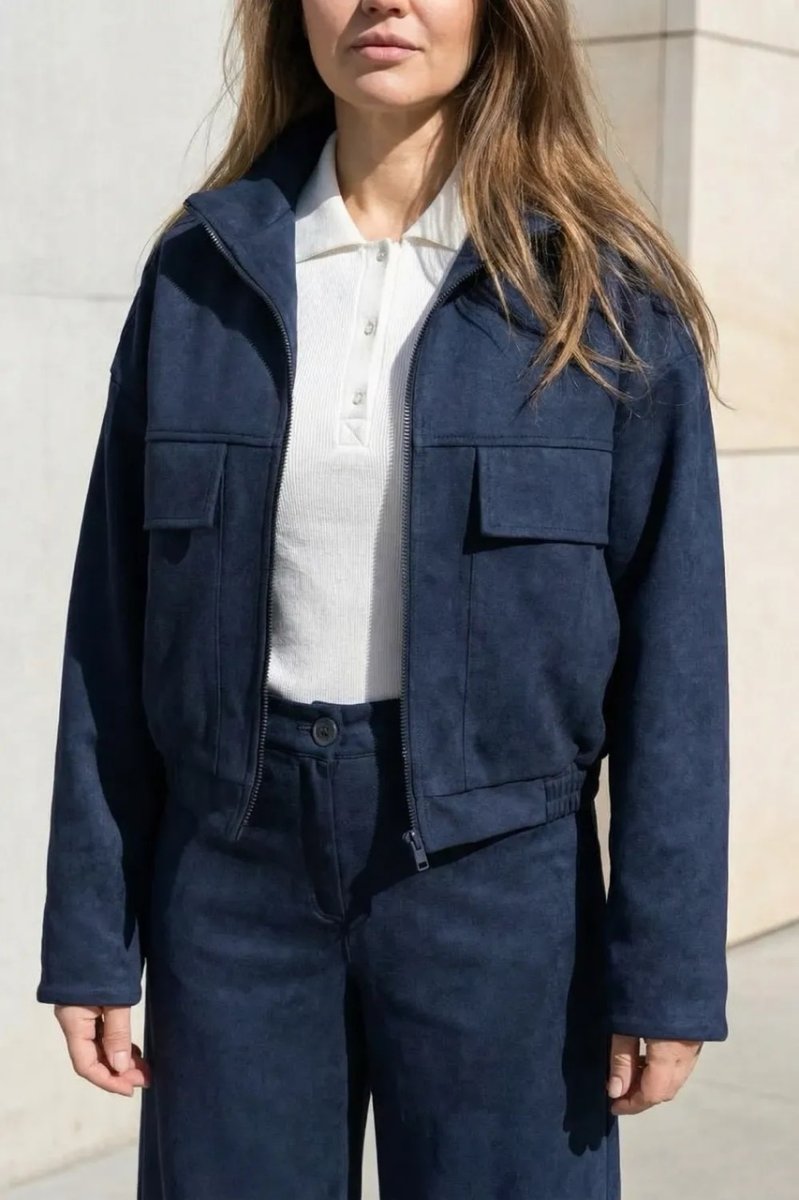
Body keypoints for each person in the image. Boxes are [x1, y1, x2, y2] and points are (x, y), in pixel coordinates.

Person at [36, 2, 730, 1197]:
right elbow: (112, 624)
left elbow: (677, 659)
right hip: (232, 877)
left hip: (498, 886)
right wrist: (94, 931)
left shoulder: (601, 296)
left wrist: (664, 966)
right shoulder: (199, 275)